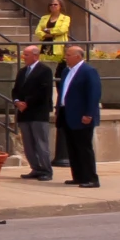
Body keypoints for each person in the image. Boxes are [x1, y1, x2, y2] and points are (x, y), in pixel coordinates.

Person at [12, 44, 58, 181]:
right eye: (24, 54)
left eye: (26, 55)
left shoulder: (44, 71)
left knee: (40, 142)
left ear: (35, 56)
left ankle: (46, 170)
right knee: (28, 143)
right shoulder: (22, 71)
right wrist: (16, 101)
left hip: (38, 112)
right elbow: (16, 89)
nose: (24, 57)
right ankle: (36, 168)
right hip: (24, 113)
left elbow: (43, 91)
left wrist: (27, 103)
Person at [60, 43, 102, 188]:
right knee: (72, 148)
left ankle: (91, 178)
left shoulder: (88, 71)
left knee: (84, 147)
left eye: (68, 55)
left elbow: (94, 94)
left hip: (82, 116)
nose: (66, 57)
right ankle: (78, 176)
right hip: (67, 114)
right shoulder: (66, 71)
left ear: (78, 56)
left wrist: (89, 114)